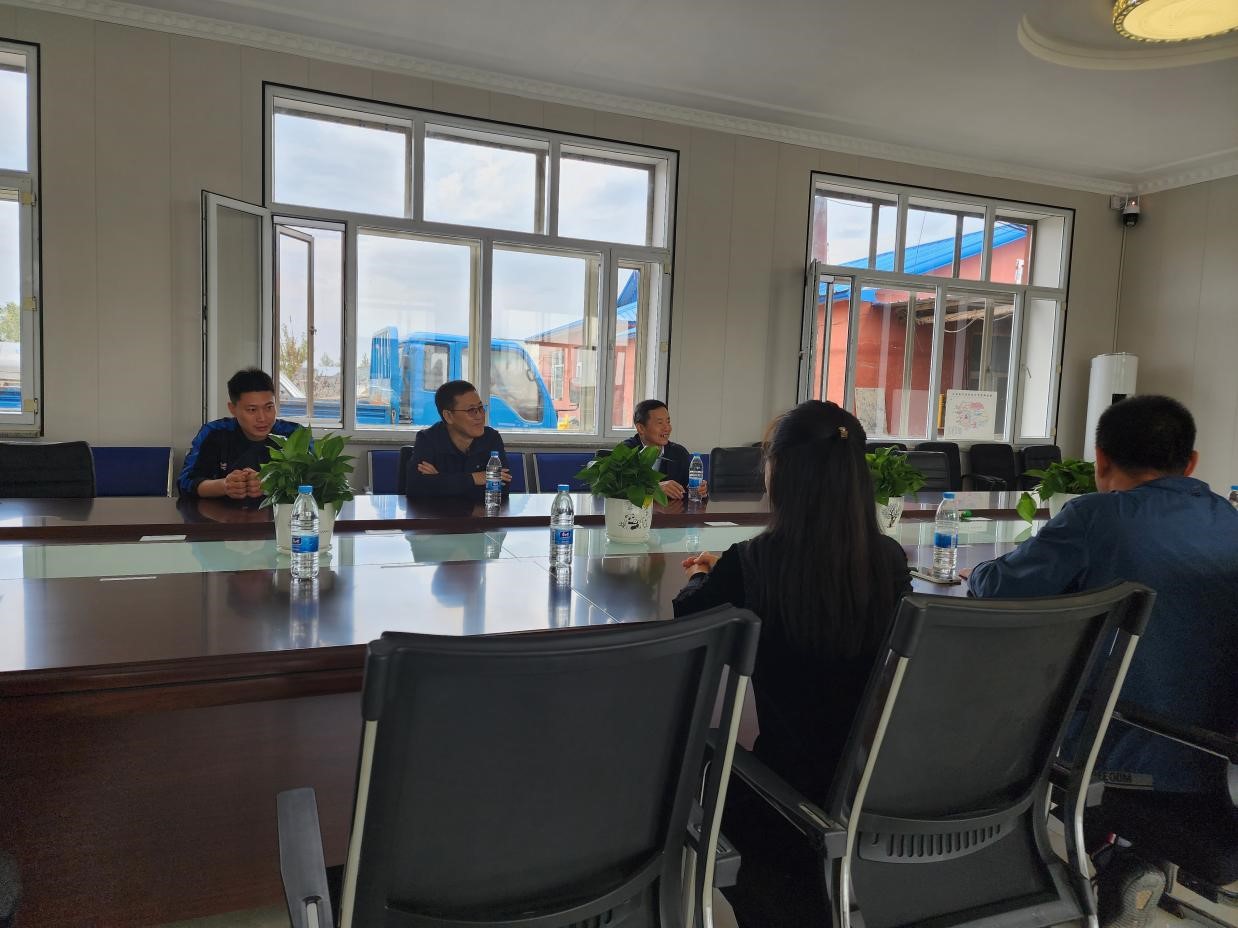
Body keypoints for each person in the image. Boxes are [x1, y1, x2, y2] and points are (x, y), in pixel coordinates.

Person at [964, 395, 1238, 928]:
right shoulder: (1228, 521)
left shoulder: (1097, 516)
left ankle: (1088, 860)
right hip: (1216, 757)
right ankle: (1129, 860)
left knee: (1004, 704)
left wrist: (976, 572)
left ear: (1101, 460)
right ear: (1191, 463)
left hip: (1117, 746)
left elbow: (1000, 589)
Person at [672, 400, 911, 927]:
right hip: (875, 788)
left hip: (783, 798)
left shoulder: (754, 560)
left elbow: (688, 616)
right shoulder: (889, 559)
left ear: (781, 473)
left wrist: (704, 574)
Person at [178, 368, 299, 499]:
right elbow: (185, 483)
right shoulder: (214, 432)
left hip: (279, 512)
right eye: (252, 410)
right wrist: (224, 486)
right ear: (233, 409)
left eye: (269, 407)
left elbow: (314, 482)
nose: (262, 418)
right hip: (221, 511)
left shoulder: (295, 434)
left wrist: (271, 484)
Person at [405, 380, 510, 499]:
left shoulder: (491, 438)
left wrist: (440, 480)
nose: (480, 416)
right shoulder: (428, 439)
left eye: (480, 407)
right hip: (439, 511)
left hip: (481, 511)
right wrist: (475, 478)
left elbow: (502, 488)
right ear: (448, 416)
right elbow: (415, 489)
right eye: (471, 410)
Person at [622, 399, 707, 500]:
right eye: (660, 423)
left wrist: (702, 489)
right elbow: (615, 490)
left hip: (670, 510)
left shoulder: (679, 453)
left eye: (668, 422)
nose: (667, 428)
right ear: (641, 428)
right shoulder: (626, 451)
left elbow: (690, 489)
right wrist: (653, 489)